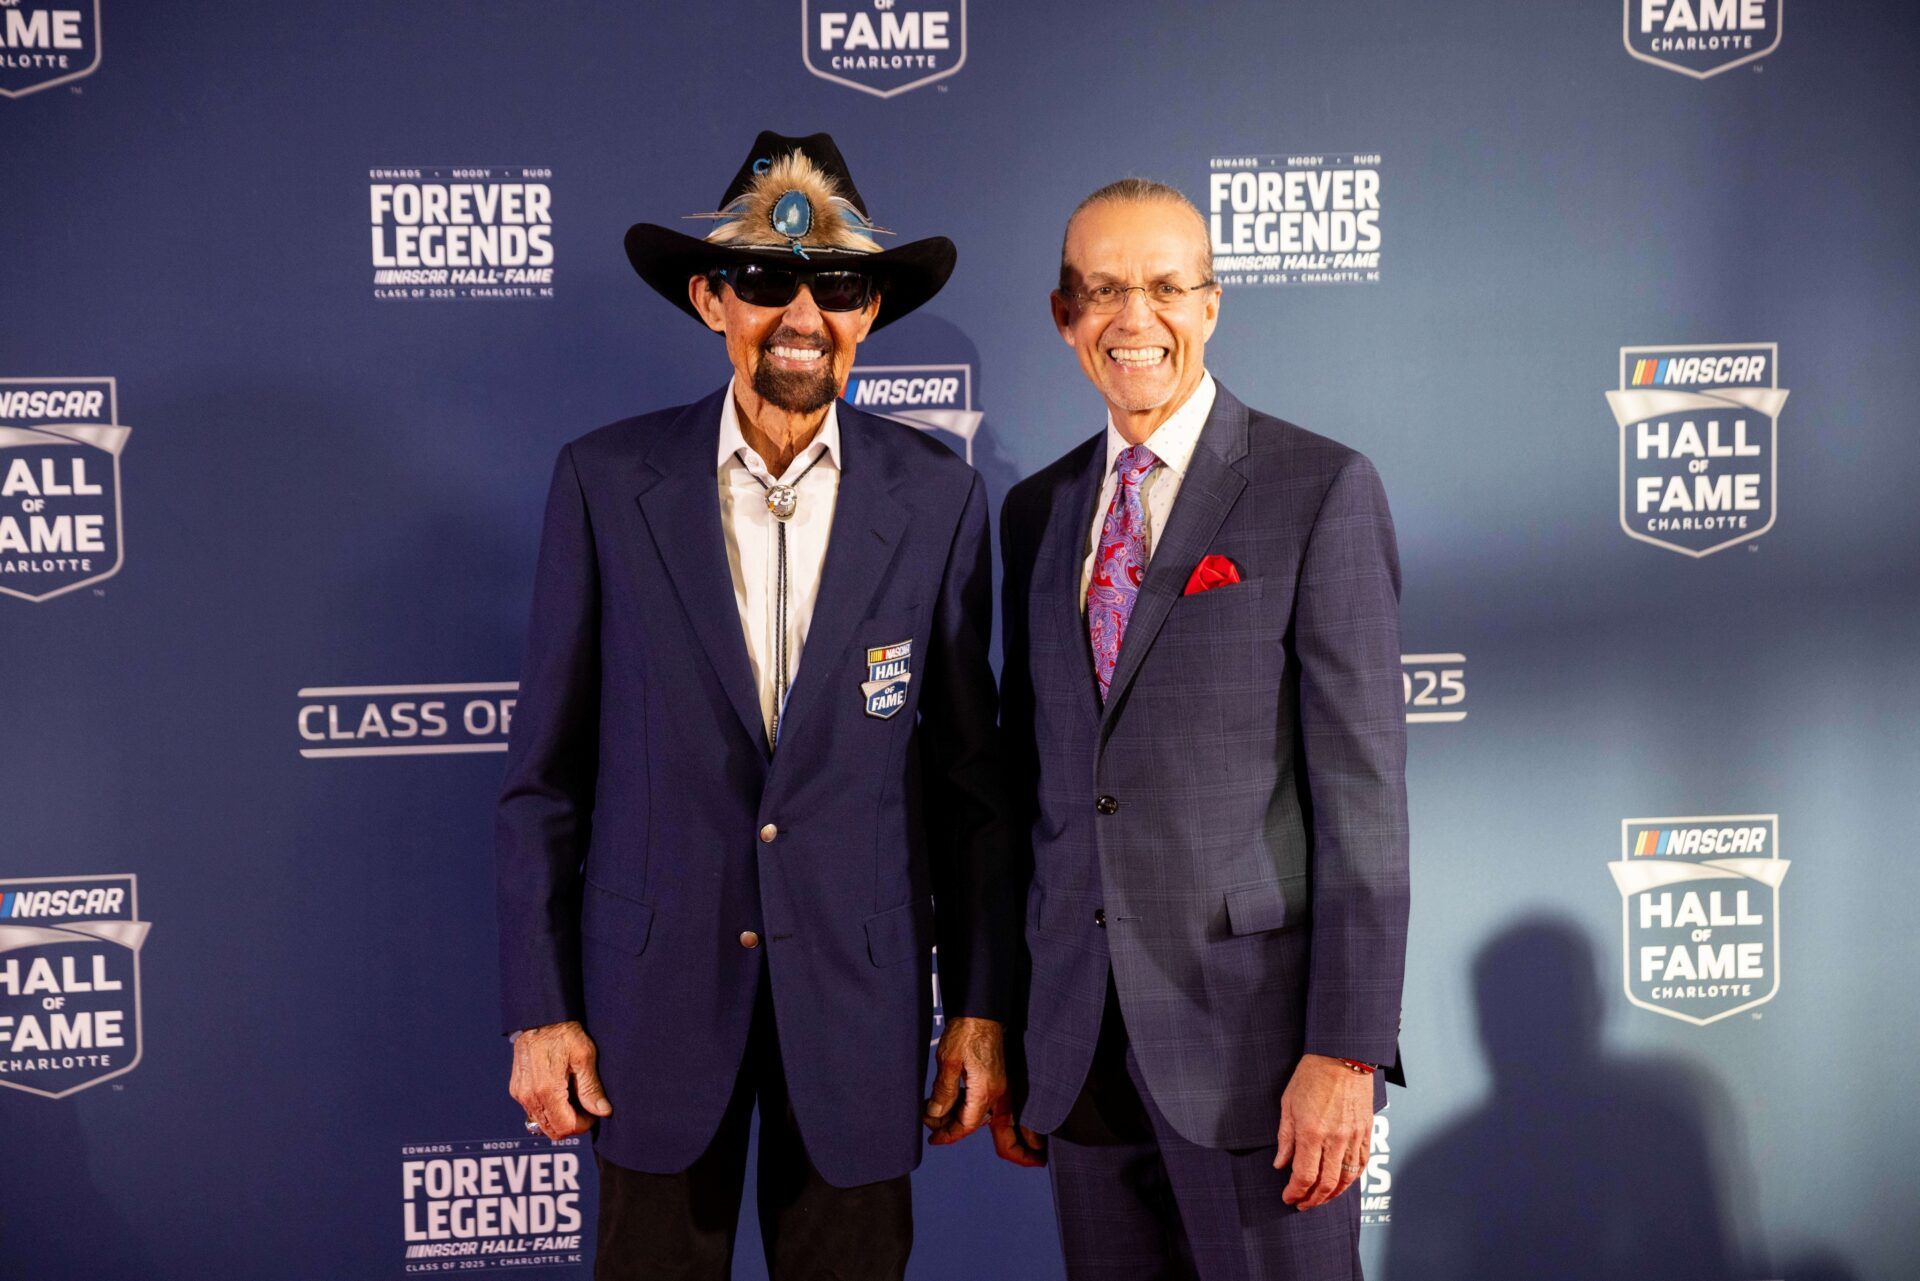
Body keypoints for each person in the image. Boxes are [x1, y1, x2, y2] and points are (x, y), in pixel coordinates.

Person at [495, 131, 1018, 1281]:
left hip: (861, 1014)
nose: (801, 314)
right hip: (649, 1010)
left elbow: (974, 787)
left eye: (836, 284)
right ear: (711, 299)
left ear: (869, 312)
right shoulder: (604, 480)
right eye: (766, 280)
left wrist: (981, 1006)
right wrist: (541, 1011)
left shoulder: (938, 497)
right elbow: (545, 777)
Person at [996, 177, 1411, 1279]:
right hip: (1080, 1056)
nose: (1138, 320)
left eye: (1167, 287)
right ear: (1064, 315)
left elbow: (1363, 802)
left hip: (1261, 1059)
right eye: (1105, 292)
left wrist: (1346, 1050)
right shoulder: (1034, 512)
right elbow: (1036, 785)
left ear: (1213, 303)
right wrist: (1014, 1022)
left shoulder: (1318, 487)